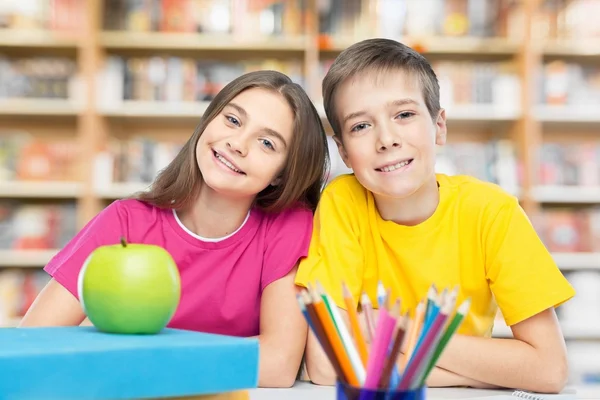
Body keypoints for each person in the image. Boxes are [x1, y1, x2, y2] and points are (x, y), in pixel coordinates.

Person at [295, 38, 575, 393]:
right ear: (344, 153)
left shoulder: (493, 212)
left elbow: (548, 369)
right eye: (361, 126)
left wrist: (394, 331)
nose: (387, 139)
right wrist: (486, 374)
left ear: (439, 126)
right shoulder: (342, 202)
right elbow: (323, 363)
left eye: (405, 115)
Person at [20, 70, 330, 388]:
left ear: (281, 174)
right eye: (233, 120)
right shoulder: (125, 221)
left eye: (266, 143)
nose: (237, 144)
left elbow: (278, 365)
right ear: (208, 120)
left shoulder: (287, 226)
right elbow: (34, 344)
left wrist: (134, 358)